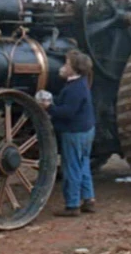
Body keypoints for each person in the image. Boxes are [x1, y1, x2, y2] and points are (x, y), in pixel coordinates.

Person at [39, 49, 97, 217]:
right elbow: (67, 102)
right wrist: (53, 100)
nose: (63, 67)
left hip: (74, 132)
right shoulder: (80, 83)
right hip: (86, 129)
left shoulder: (75, 88)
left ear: (74, 68)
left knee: (71, 167)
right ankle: (89, 199)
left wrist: (49, 107)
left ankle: (72, 205)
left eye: (66, 64)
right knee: (83, 164)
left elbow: (68, 112)